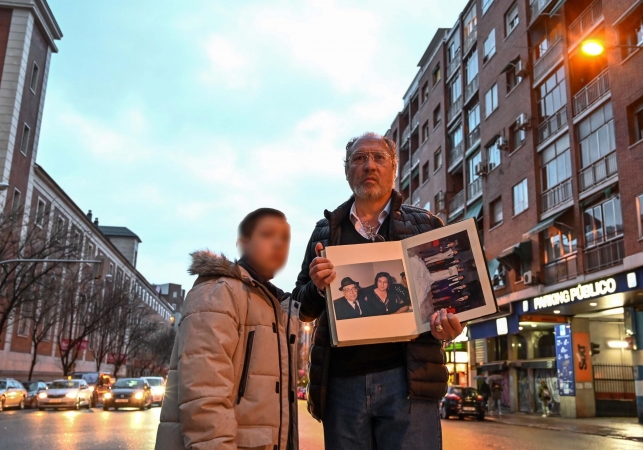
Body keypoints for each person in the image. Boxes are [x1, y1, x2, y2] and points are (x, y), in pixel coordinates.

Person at [293, 132, 463, 450]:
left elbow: (448, 304)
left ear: (393, 168)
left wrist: (449, 327)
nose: (369, 165)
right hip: (341, 386)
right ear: (347, 171)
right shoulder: (325, 232)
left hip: (408, 383)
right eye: (359, 158)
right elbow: (301, 308)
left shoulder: (426, 226)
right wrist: (316, 287)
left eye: (378, 157)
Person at [156, 208, 298, 450]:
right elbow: (204, 394)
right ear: (242, 243)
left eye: (285, 238)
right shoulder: (217, 293)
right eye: (267, 234)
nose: (278, 244)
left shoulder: (271, 303)